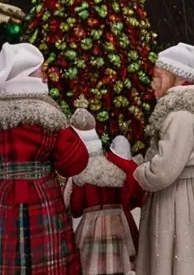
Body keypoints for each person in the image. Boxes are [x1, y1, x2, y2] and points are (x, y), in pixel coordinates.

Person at [0, 42, 89, 274]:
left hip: (3, 198)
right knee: (46, 257)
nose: (45, 77)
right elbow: (75, 160)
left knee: (3, 256)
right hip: (42, 196)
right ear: (27, 75)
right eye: (40, 71)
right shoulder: (49, 115)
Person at [134, 42, 194, 275]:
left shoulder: (181, 116)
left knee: (180, 252)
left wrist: (139, 172)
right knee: (192, 252)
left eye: (159, 76)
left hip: (178, 197)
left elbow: (165, 170)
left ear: (177, 78)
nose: (153, 82)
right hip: (193, 192)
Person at [67, 100, 136, 274]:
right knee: (118, 265)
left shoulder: (81, 171)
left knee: (92, 266)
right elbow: (126, 197)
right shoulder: (113, 164)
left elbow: (76, 208)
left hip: (92, 226)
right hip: (117, 222)